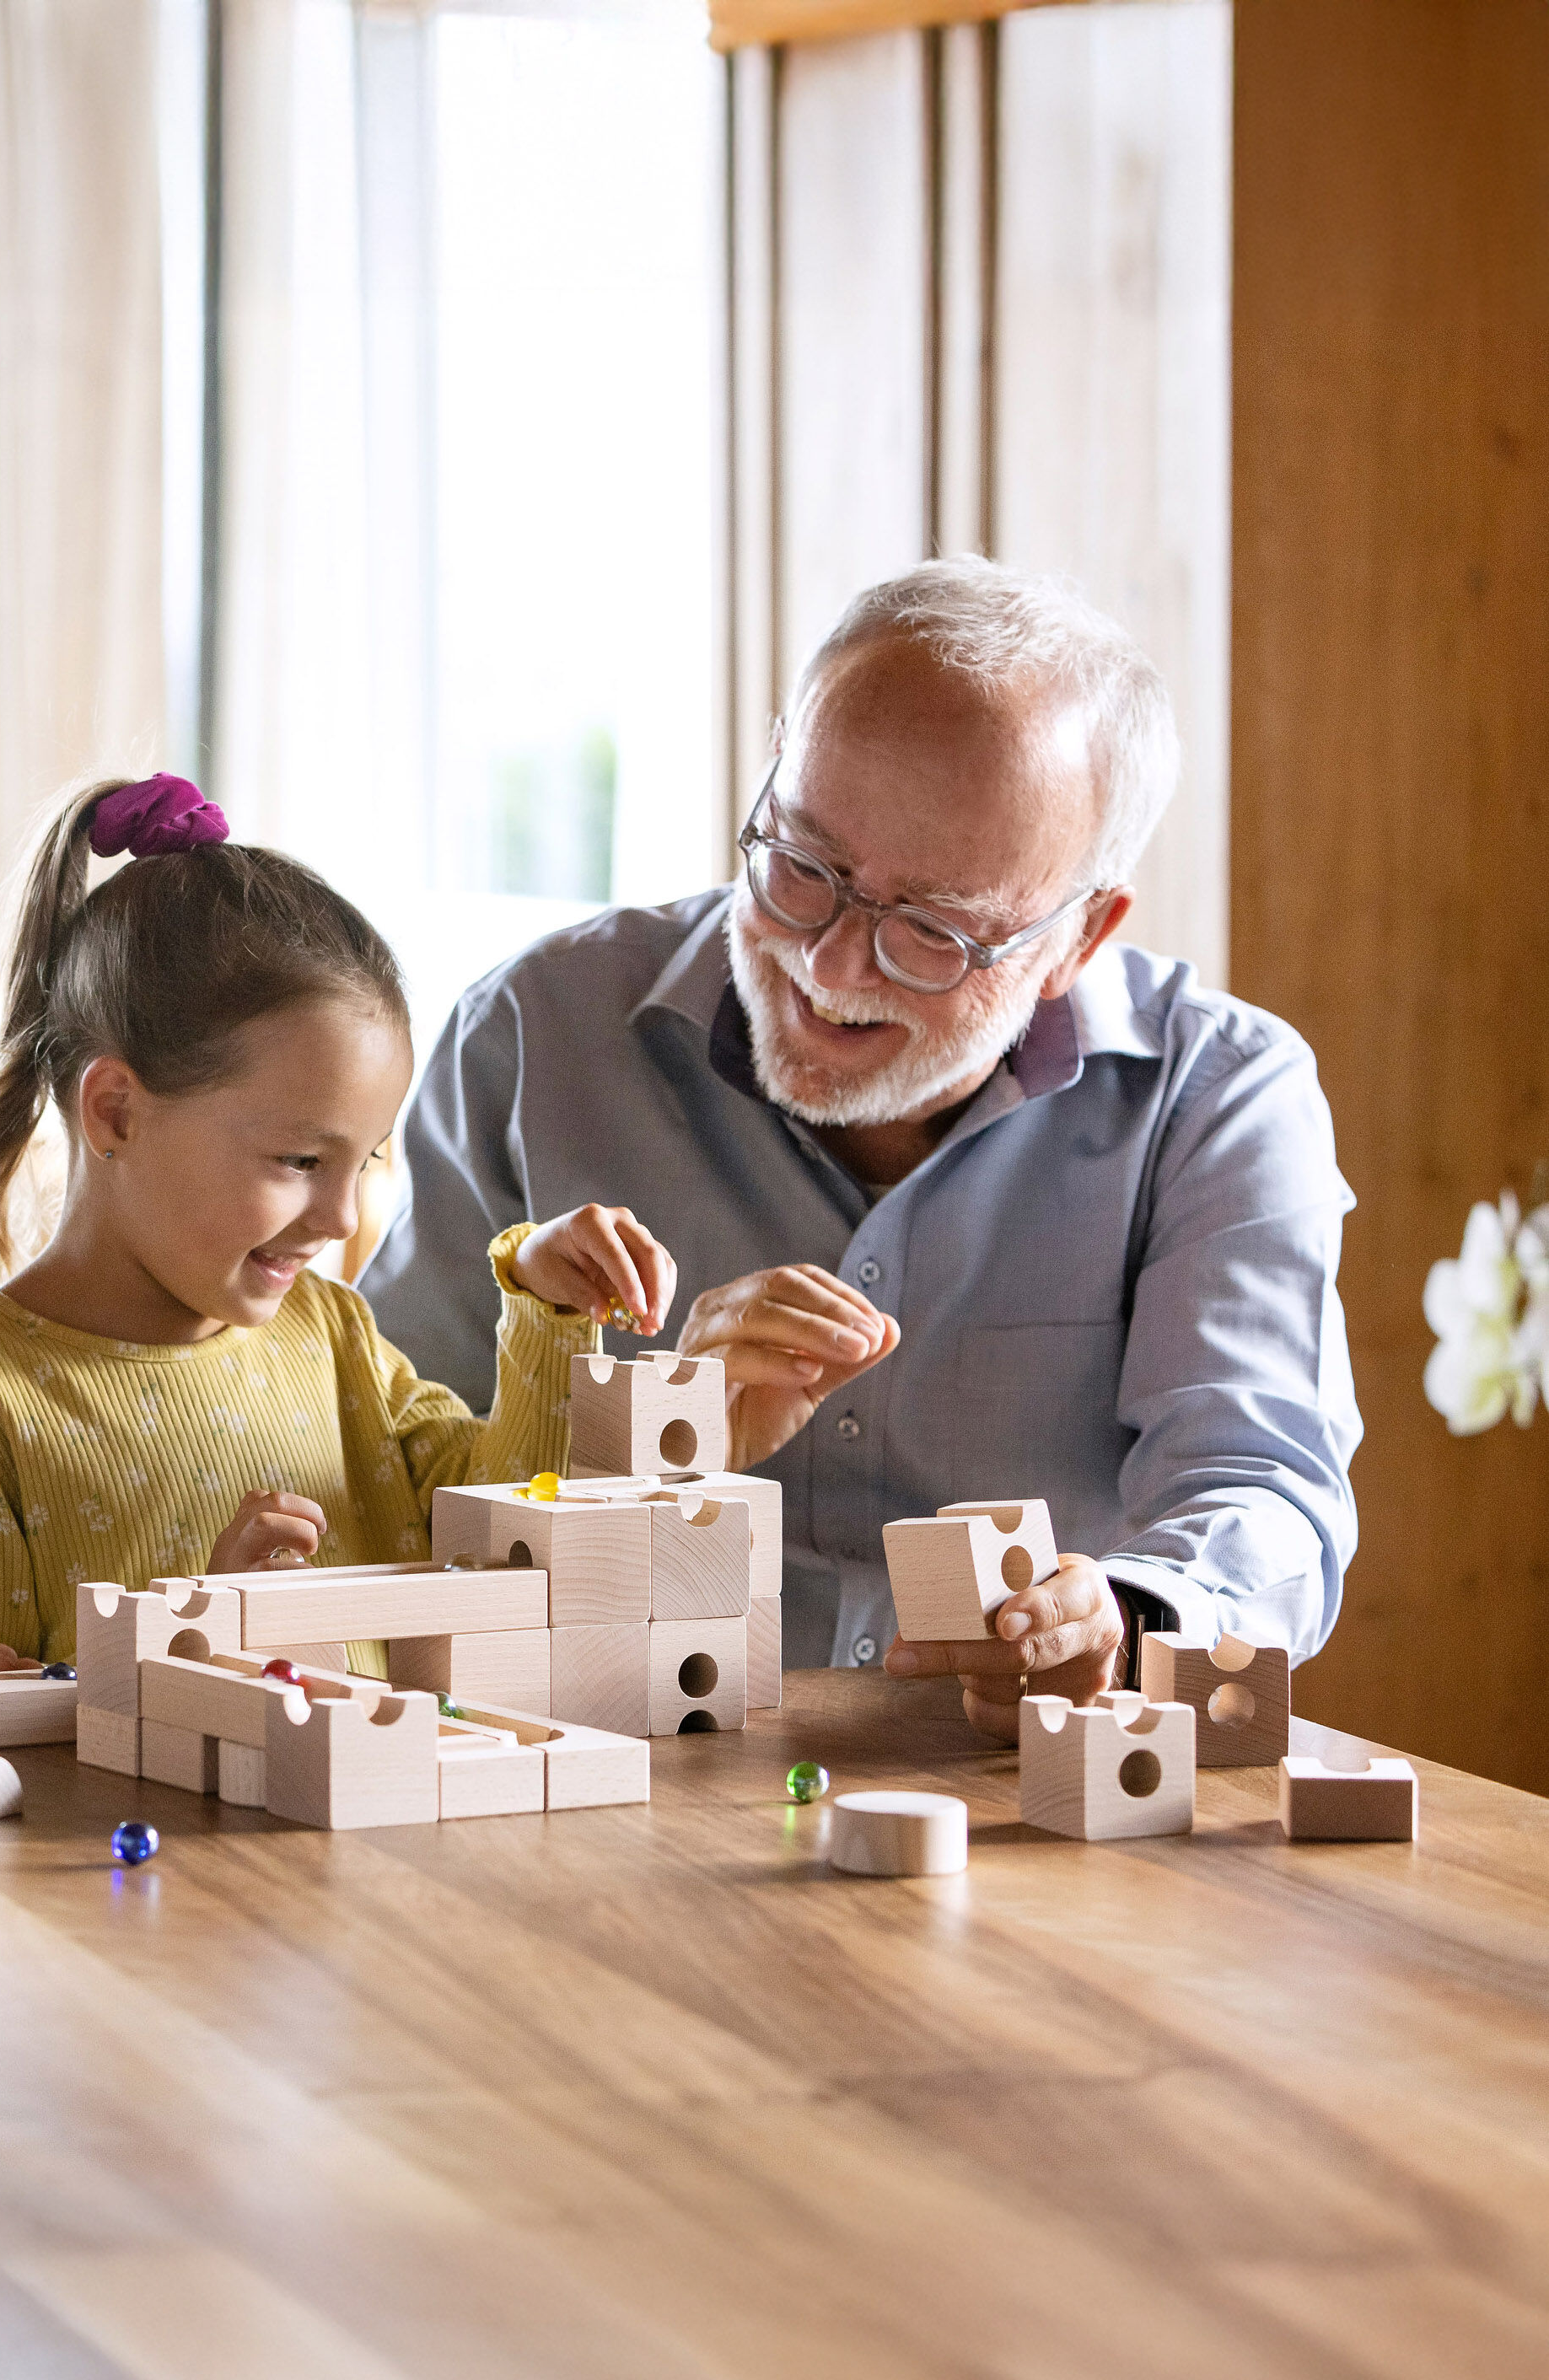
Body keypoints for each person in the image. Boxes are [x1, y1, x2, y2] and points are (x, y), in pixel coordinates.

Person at [364, 559, 1361, 1738]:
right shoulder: (534, 1035)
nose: (828, 969)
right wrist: (631, 1441)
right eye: (803, 868)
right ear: (774, 769)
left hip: (1019, 1814)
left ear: (1077, 937)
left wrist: (1125, 1622)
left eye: (934, 933)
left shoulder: (1220, 1098)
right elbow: (387, 1478)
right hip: (587, 1772)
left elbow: (1263, 1490)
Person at [0, 772, 673, 1676]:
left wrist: (544, 1306)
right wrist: (200, 1631)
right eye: (299, 1161)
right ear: (117, 1113)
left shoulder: (332, 1338)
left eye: (364, 1162)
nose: (338, 1218)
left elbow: (509, 1530)